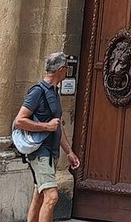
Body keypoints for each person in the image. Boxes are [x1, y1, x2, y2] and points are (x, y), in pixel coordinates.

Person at [13, 53, 80, 222]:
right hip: (40, 153)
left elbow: (58, 125)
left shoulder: (54, 92)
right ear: (61, 69)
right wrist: (46, 126)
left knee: (39, 195)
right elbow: (20, 121)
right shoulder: (37, 92)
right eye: (66, 68)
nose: (67, 72)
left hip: (51, 154)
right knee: (51, 197)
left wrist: (69, 152)